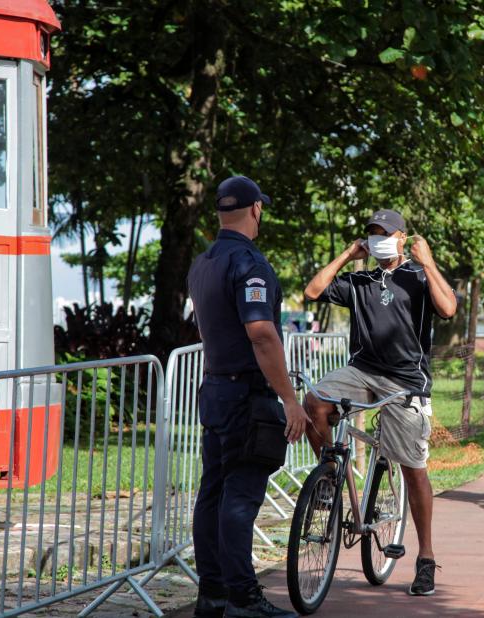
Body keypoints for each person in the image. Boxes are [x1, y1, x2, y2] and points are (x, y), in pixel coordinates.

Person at [303, 208, 457, 597]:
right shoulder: (361, 280)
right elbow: (312, 292)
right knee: (314, 403)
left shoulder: (419, 276)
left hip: (406, 381)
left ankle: (425, 557)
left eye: (385, 233)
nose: (377, 239)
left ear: (402, 238)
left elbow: (449, 308)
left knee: (413, 467)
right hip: (362, 372)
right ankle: (329, 483)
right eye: (371, 234)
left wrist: (430, 263)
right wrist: (345, 255)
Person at [188, 175, 305, 618]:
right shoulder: (249, 263)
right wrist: (289, 399)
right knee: (239, 496)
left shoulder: (204, 262)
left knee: (213, 494)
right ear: (256, 210)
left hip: (215, 388)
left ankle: (213, 593)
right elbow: (261, 334)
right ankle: (242, 597)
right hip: (245, 397)